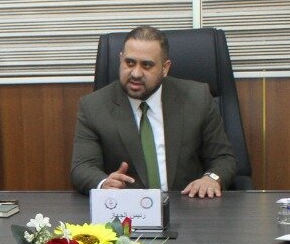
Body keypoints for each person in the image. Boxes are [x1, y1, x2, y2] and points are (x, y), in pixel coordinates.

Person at [70, 24, 237, 197]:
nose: (136, 73)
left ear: (165, 68)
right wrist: (104, 183)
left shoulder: (197, 97)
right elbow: (83, 167)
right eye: (129, 63)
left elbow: (223, 158)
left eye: (147, 65)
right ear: (121, 59)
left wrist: (211, 178)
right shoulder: (93, 106)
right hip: (127, 206)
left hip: (186, 202)